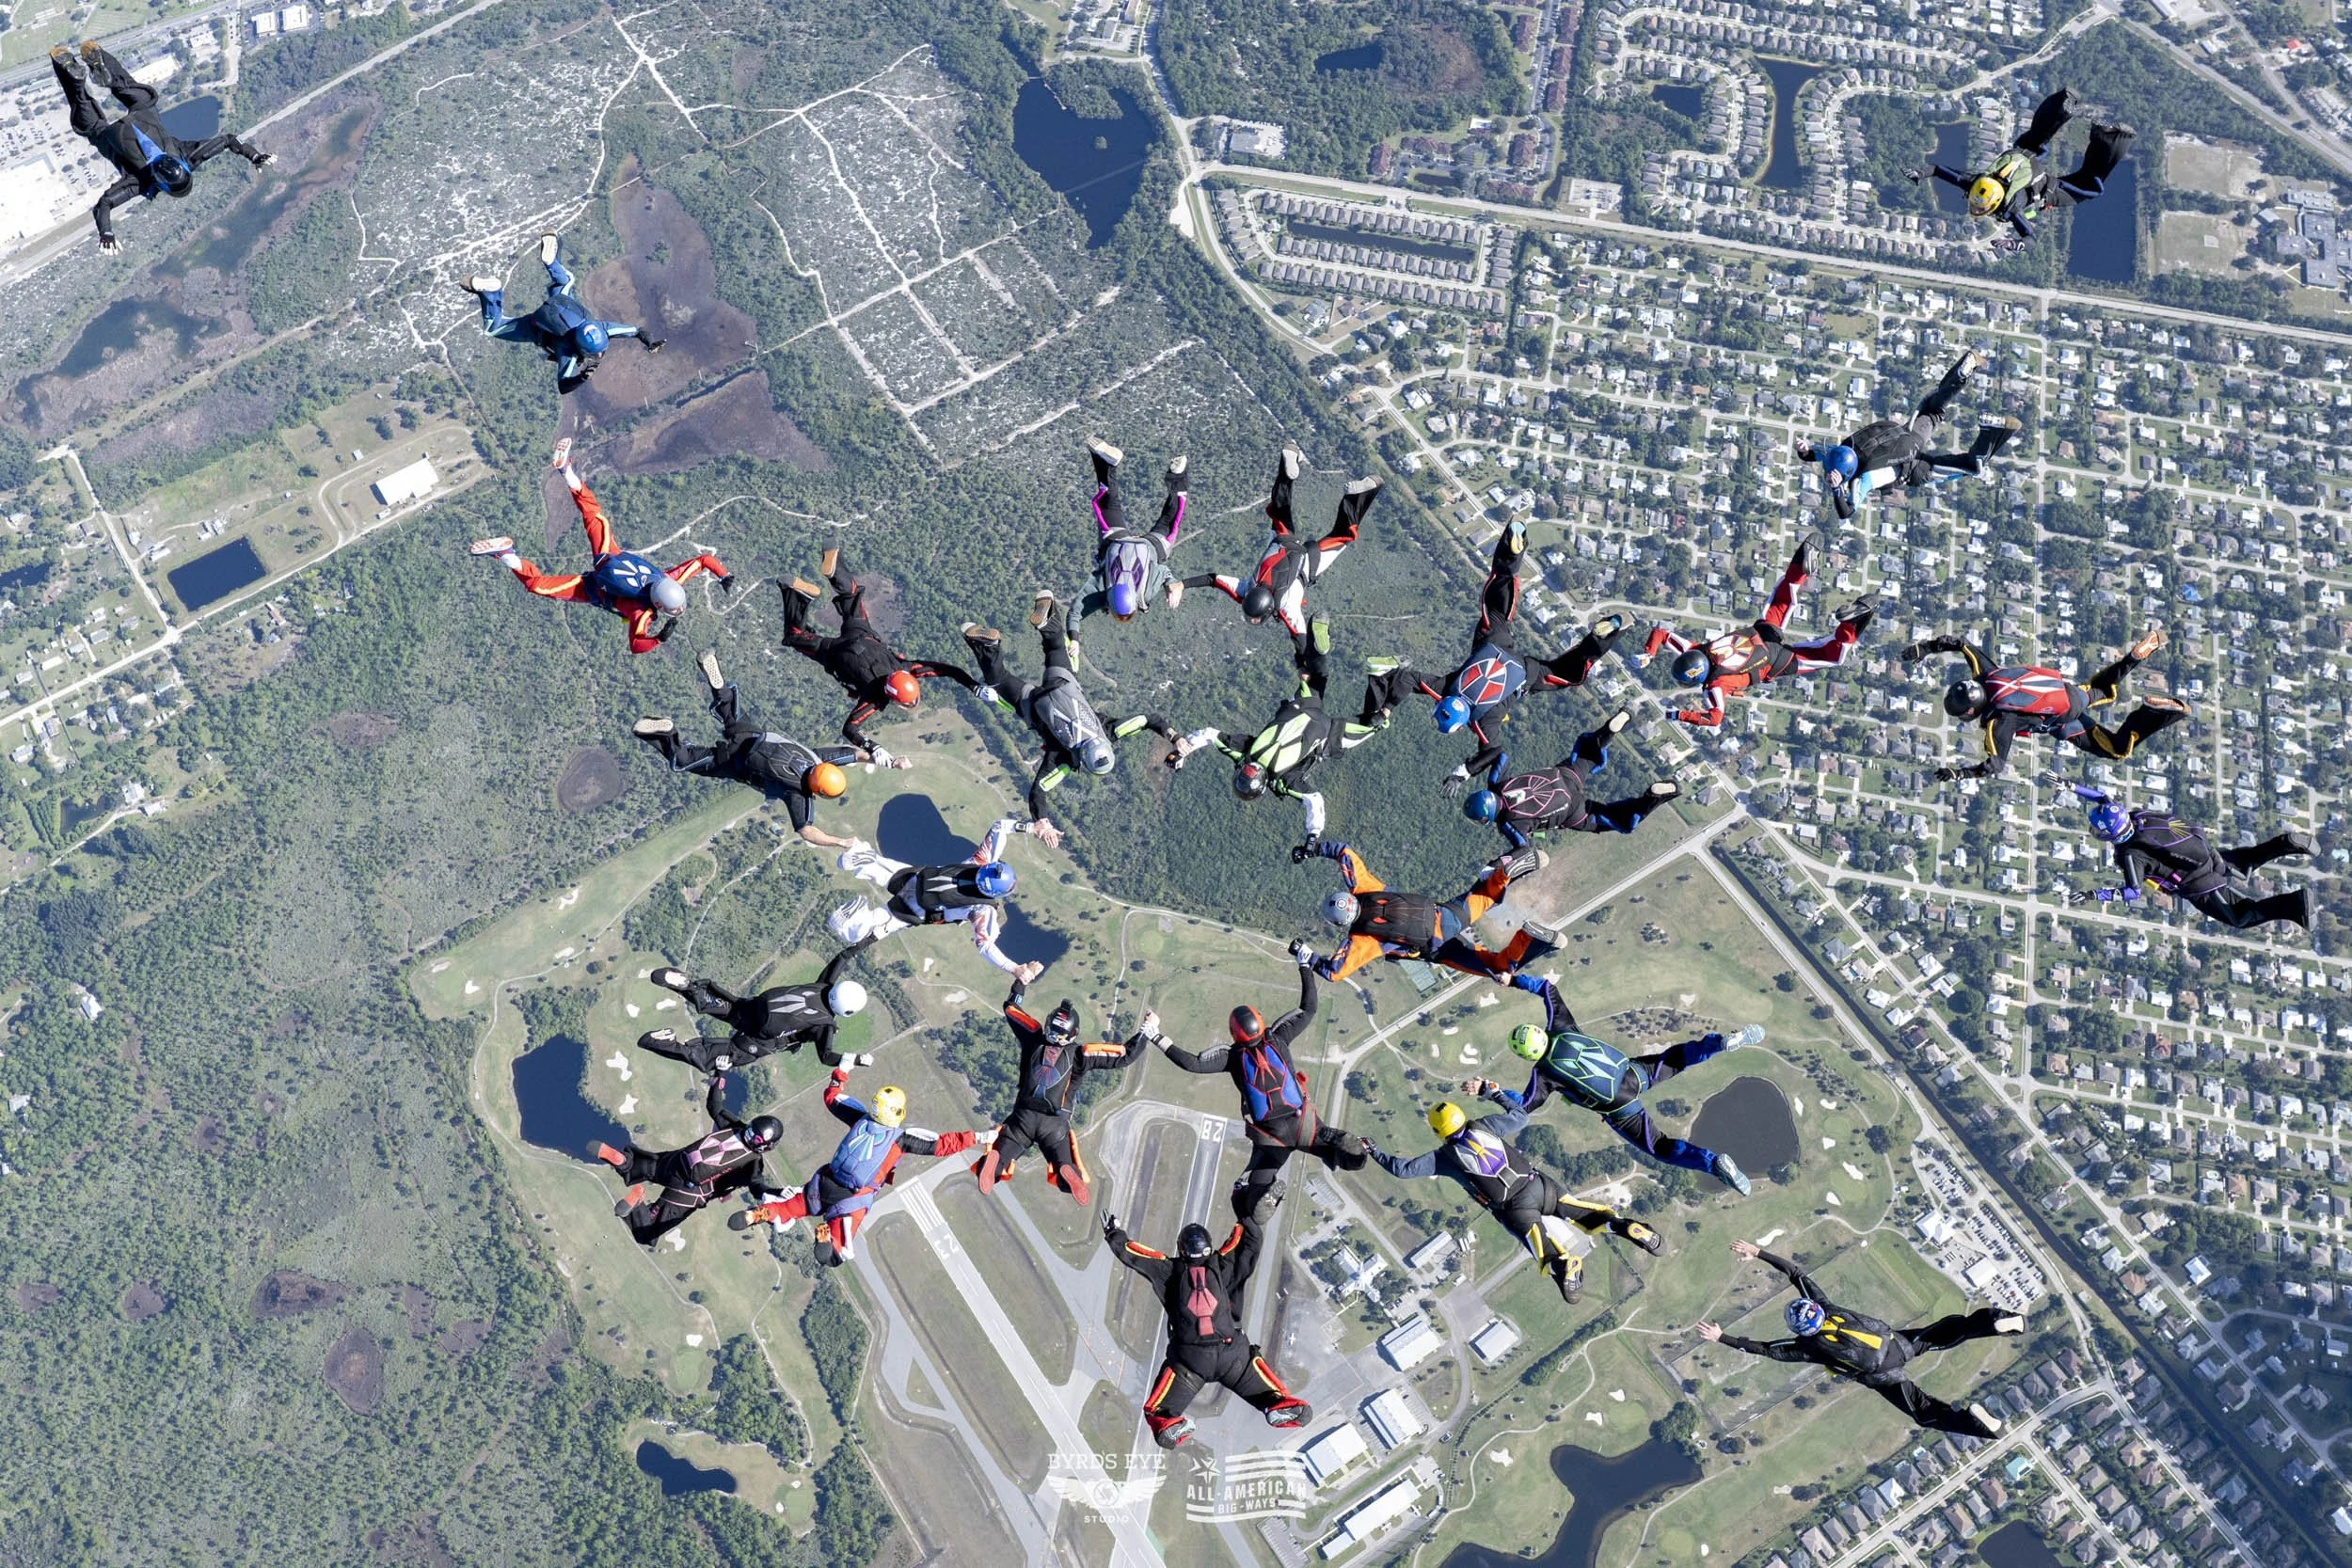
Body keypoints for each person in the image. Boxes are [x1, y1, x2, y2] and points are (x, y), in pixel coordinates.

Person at [1697, 1239, 2024, 1437]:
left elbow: (1766, 1349)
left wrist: (1722, 1337)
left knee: (1924, 1412)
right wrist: (1758, 1252)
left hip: (1884, 1376)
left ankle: (1981, 1427)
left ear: (1799, 1330)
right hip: (1897, 1343)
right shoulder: (1826, 1307)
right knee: (1950, 1330)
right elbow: (1797, 1274)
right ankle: (1996, 1323)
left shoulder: (1808, 1347)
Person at [1468, 976, 1760, 1195]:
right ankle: (1720, 1043)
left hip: (1620, 1108)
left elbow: (1523, 1107)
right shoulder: (1560, 1027)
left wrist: (1490, 1090)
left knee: (1659, 1145)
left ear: (1524, 1055)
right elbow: (1548, 989)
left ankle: (1712, 1164)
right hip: (1632, 1072)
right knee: (1677, 1058)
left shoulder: (1543, 1074)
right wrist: (1513, 979)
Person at [1393, 518, 1628, 784]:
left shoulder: (1484, 724)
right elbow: (1409, 679)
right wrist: (1385, 708)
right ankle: (1512, 554)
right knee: (1495, 603)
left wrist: (1464, 772)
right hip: (1493, 646)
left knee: (1567, 674)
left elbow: (1494, 752)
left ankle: (1603, 637)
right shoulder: (1443, 689)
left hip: (1526, 673)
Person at [1368, 1101, 1662, 1303]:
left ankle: (1565, 1266)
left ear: (1437, 1132)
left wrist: (1373, 1150)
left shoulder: (1444, 1158)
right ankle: (1623, 1226)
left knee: (1546, 1253)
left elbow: (1401, 1169)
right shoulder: (1484, 1125)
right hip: (1541, 1184)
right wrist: (1491, 1091)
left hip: (1514, 1209)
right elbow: (1521, 1115)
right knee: (1588, 1216)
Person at [1160, 942, 1369, 1217]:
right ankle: (1352, 1149)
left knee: (1254, 1201)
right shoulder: (1277, 1038)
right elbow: (1308, 1008)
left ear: (1234, 1033)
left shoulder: (1233, 1058)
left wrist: (1156, 1036)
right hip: (1304, 1123)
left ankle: (1267, 1194)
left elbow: (1193, 1064)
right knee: (1348, 1154)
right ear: (1260, 1020)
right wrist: (1304, 965)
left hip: (1272, 1139)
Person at [469, 438, 729, 655]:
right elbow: (637, 645)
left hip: (609, 555)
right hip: (590, 587)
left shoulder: (670, 578)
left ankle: (565, 470)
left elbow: (703, 560)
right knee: (536, 585)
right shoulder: (642, 613)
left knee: (592, 513)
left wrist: (724, 575)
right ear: (659, 605)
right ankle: (506, 555)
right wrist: (659, 639)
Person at [1168, 618, 1419, 840]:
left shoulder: (1285, 781)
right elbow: (1209, 735)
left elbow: (1314, 801)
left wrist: (1313, 835)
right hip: (1299, 707)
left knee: (1374, 722)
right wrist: (1182, 752)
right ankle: (1317, 647)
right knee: (1316, 677)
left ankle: (1378, 676)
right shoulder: (1244, 751)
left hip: (1327, 733)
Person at [1103, 1183, 1311, 1448]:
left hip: (1191, 1363)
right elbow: (1248, 1240)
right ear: (1209, 1248)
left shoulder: (1168, 1270)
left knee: (1156, 1414)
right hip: (1233, 1356)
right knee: (1274, 1397)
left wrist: (1113, 1233)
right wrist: (1243, 1207)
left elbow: (1135, 1256)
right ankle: (1282, 1407)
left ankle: (1171, 1425)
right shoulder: (1222, 1263)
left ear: (1181, 1249)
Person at [963, 594, 1179, 846]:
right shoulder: (1063, 760)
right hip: (1032, 705)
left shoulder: (1110, 731)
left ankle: (1046, 623)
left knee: (1055, 646)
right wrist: (1041, 820)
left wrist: (1174, 736)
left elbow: (1148, 720)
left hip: (1062, 684)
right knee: (998, 679)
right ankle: (989, 647)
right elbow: (1039, 790)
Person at [632, 649, 895, 846]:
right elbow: (807, 831)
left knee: (731, 713)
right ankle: (667, 733)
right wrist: (840, 842)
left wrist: (887, 761)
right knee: (684, 759)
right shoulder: (798, 794)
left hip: (752, 736)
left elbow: (854, 755)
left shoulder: (819, 759)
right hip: (732, 761)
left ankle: (720, 686)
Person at [730, 1066, 988, 1264]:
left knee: (790, 1206)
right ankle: (825, 1236)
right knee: (835, 1255)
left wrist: (841, 1073)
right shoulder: (901, 1139)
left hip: (822, 1185)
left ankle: (762, 1213)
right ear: (898, 1113)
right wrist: (978, 1138)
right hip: (851, 1200)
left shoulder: (860, 1119)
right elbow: (943, 1145)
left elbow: (832, 1097)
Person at [51, 40, 272, 253]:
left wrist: (254, 156)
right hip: (111, 136)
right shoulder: (140, 183)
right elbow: (104, 204)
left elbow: (227, 140)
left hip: (143, 115)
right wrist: (106, 233)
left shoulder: (188, 157)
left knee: (136, 94)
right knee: (90, 126)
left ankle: (103, 67)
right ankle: (74, 80)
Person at [1636, 538, 1871, 728]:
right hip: (1760, 634)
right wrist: (1649, 654)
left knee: (1830, 656)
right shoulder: (1695, 650)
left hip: (1775, 662)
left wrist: (1679, 715)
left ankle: (1853, 623)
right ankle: (1801, 566)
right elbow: (1662, 634)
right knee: (1780, 600)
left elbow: (1715, 718)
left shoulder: (1714, 686)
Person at [1902, 626, 2188, 781]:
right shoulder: (1986, 675)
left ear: (1970, 711)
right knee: (2101, 687)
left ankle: (2154, 713)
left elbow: (1995, 765)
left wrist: (1959, 774)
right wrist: (1925, 648)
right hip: (2066, 692)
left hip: (2065, 719)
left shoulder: (1999, 720)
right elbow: (1961, 643)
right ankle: (2134, 658)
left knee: (2117, 750)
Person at [780, 547, 980, 752]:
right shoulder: (874, 698)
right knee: (795, 637)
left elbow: (949, 670)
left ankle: (835, 572)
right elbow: (850, 728)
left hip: (860, 634)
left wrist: (975, 687)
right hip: (834, 651)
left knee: (851, 597)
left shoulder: (907, 668)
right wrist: (872, 748)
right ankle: (798, 597)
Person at [972, 977, 1152, 1205]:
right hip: (1054, 1126)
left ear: (1048, 1025)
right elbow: (1124, 1055)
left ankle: (997, 1160)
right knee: (1065, 1168)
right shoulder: (1081, 1054)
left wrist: (1021, 982)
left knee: (999, 1155)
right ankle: (1067, 1172)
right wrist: (1148, 1029)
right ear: (1073, 1033)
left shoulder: (1033, 1036)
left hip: (1022, 1118)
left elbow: (1011, 1009)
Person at [1183, 444, 1379, 645]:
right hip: (1282, 542)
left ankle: (1358, 495)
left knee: (1343, 535)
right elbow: (1213, 579)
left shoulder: (1286, 607)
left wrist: (1303, 666)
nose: (1253, 620)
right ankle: (1288, 469)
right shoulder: (1246, 589)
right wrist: (1182, 584)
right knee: (1279, 511)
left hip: (1308, 565)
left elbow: (1300, 638)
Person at [1293, 838, 1557, 983]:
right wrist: (1313, 848)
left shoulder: (1363, 939)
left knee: (1495, 967)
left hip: (1438, 948)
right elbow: (1344, 852)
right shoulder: (1363, 887)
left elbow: (1334, 973)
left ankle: (1527, 937)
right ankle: (1503, 873)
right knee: (1486, 894)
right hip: (1444, 915)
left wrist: (1306, 954)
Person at [2062, 782, 2315, 931]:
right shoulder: (2137, 817)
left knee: (2241, 916)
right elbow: (2103, 798)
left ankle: (2297, 905)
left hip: (2199, 885)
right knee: (2246, 860)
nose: (2094, 832)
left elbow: (2133, 891)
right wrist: (2072, 786)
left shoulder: (2130, 854)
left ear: (2110, 834)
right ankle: (2285, 844)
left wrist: (2093, 894)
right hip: (2208, 855)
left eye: (2097, 830)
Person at [1794, 353, 2020, 517]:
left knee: (1970, 468)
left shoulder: (1862, 481)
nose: (1828, 475)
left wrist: (1837, 490)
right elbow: (1818, 455)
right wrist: (1804, 451)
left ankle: (1989, 432)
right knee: (1933, 410)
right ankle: (1961, 375)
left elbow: (1846, 512)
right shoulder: (1844, 452)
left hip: (1917, 471)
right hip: (1906, 436)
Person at [1911, 88, 2133, 255]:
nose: (1976, 207)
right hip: (2023, 156)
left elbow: (2031, 240)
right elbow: (1939, 170)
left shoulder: (2011, 207)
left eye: (1979, 205)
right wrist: (1920, 173)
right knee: (2037, 135)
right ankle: (2063, 102)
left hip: (2046, 190)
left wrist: (2013, 244)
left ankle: (2114, 136)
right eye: (1978, 204)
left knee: (2088, 188)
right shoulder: (1976, 183)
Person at [828, 816, 1048, 981]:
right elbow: (986, 947)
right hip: (913, 911)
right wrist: (1015, 969)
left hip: (913, 878)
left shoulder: (981, 861)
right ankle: (858, 914)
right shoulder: (982, 909)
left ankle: (862, 855)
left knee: (878, 867)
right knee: (864, 933)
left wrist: (1032, 828)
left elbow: (1000, 826)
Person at [587, 1072, 784, 1248]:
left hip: (677, 1161)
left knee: (641, 1167)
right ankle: (639, 1204)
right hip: (690, 1191)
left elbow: (714, 1106)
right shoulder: (753, 1163)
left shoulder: (735, 1127)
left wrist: (720, 1075)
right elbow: (757, 1186)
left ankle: (623, 1161)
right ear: (767, 1145)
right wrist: (777, 1193)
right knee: (645, 1233)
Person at [462, 232, 663, 392]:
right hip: (533, 327)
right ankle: (492, 292)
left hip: (561, 302)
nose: (599, 354)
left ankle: (551, 262)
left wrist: (651, 342)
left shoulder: (602, 328)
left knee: (565, 281)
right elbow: (563, 387)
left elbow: (637, 331)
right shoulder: (568, 352)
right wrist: (582, 377)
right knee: (493, 328)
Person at [638, 944, 875, 1072]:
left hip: (753, 1009)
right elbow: (827, 1057)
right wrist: (856, 1060)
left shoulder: (823, 985)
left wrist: (873, 937)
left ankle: (688, 986)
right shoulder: (826, 1025)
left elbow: (842, 956)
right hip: (761, 1041)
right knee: (712, 1059)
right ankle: (659, 1043)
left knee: (724, 1007)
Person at [1465, 708, 1680, 848]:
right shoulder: (1496, 784)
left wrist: (1501, 865)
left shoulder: (1508, 823)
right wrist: (1465, 771)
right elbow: (1500, 755)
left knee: (1618, 820)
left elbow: (1523, 849)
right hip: (1563, 776)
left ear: (1487, 816)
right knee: (1587, 754)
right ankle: (1607, 732)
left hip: (1574, 811)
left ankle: (1652, 797)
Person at [1073, 438, 1190, 626]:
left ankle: (1177, 477)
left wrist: (1174, 584)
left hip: (1153, 546)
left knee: (1170, 519)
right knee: (1108, 507)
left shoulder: (1146, 594)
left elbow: (1163, 571)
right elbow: (1074, 612)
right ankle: (1107, 464)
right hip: (1117, 542)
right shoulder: (1104, 589)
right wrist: (1074, 637)